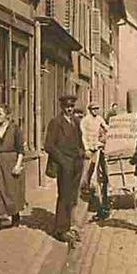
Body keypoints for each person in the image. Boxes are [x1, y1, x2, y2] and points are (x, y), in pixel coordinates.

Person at [44, 95, 85, 243]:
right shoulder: (55, 123)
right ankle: (60, 230)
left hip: (76, 164)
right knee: (64, 196)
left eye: (72, 107)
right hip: (64, 165)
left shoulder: (76, 122)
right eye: (67, 107)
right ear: (62, 107)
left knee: (73, 197)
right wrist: (62, 161)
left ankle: (69, 226)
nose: (70, 109)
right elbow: (48, 145)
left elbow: (80, 140)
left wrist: (82, 151)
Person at [80, 101, 110, 219]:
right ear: (89, 110)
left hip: (97, 147)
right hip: (89, 147)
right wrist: (86, 148)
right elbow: (82, 135)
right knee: (87, 171)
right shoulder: (85, 120)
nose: (95, 111)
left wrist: (111, 131)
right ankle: (85, 189)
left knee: (96, 171)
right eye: (93, 109)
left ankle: (96, 190)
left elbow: (106, 127)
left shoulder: (99, 119)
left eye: (97, 109)